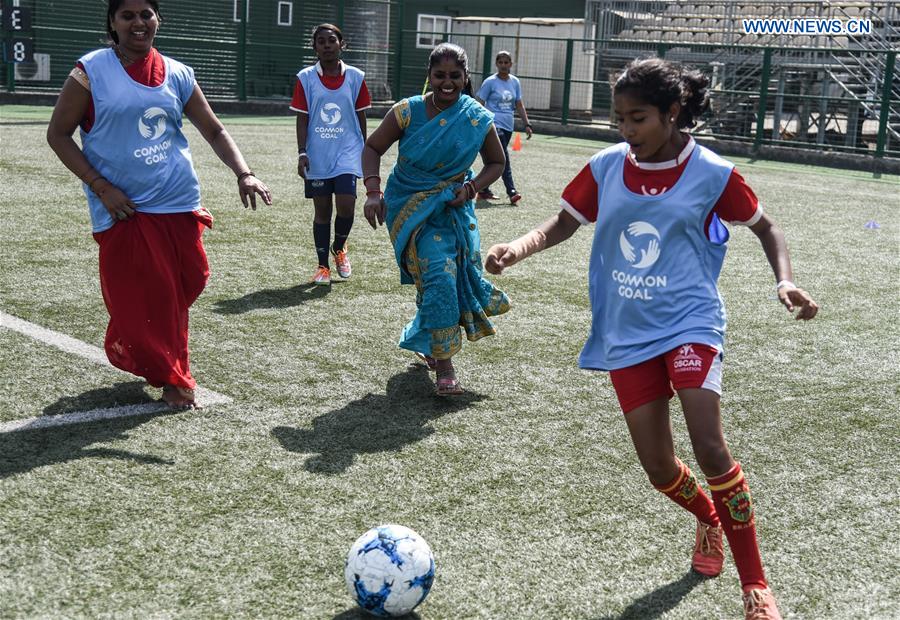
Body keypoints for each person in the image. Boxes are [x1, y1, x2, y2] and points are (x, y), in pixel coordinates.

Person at [484, 58, 818, 620]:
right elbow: (563, 222)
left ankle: (756, 587)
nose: (626, 131)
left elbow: (766, 226)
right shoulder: (606, 166)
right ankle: (709, 521)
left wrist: (784, 280)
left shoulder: (713, 172)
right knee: (659, 469)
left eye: (637, 118)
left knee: (709, 445)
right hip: (627, 332)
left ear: (672, 112)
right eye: (620, 119)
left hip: (690, 322)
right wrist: (518, 247)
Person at [46, 0, 272, 410]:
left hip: (179, 202)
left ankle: (157, 357)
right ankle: (176, 378)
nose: (138, 23)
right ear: (112, 23)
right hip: (125, 209)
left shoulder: (179, 73)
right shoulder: (90, 71)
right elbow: (59, 135)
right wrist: (101, 187)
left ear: (158, 20)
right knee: (153, 297)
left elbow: (214, 129)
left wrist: (245, 173)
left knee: (187, 281)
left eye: (146, 14)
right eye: (127, 15)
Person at [361, 43, 509, 395]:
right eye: (439, 75)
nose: (447, 82)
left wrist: (472, 188)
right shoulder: (407, 111)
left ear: (465, 77)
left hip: (452, 207)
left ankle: (430, 341)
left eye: (454, 76)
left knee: (438, 273)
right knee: (438, 272)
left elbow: (497, 163)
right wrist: (372, 191)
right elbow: (372, 148)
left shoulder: (475, 116)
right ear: (429, 76)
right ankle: (445, 364)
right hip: (408, 205)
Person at [292, 23, 370, 285]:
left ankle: (340, 248)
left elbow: (361, 117)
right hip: (318, 154)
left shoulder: (357, 77)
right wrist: (302, 152)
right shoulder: (305, 78)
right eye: (321, 41)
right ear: (314, 47)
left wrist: (367, 151)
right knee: (322, 211)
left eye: (331, 40)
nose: (327, 45)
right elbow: (302, 120)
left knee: (347, 205)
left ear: (341, 44)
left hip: (348, 151)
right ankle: (322, 265)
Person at [475, 50, 532, 204]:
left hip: (508, 126)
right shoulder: (490, 82)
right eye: (500, 62)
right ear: (496, 64)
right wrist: (480, 121)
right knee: (504, 157)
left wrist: (527, 124)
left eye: (506, 62)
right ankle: (511, 191)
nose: (503, 65)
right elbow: (479, 102)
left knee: (494, 160)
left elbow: (519, 104)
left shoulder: (515, 82)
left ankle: (483, 189)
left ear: (511, 64)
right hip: (494, 124)